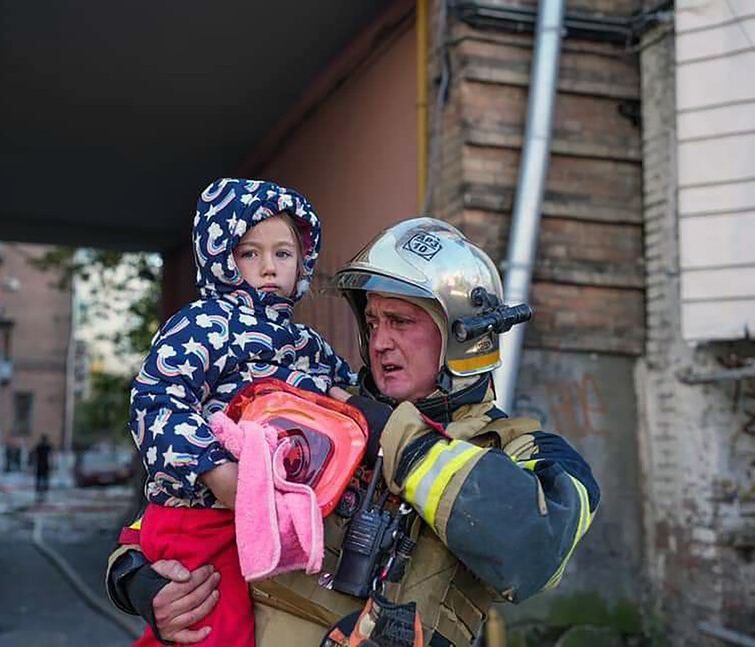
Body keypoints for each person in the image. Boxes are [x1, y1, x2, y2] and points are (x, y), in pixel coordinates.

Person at [106, 218, 600, 647]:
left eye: (401, 321)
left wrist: (390, 433)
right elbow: (179, 511)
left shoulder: (524, 450)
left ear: (464, 332)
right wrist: (138, 583)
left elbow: (532, 550)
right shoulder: (312, 408)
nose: (380, 341)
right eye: (373, 321)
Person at [126, 178, 357, 646]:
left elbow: (349, 406)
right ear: (219, 258)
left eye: (283, 253)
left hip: (277, 516)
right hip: (202, 517)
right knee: (213, 628)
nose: (268, 267)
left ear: (304, 259)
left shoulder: (310, 345)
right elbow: (156, 402)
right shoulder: (201, 324)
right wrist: (215, 468)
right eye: (249, 253)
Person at [33, 434, 53, 502]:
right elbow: (51, 456)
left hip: (41, 465)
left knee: (42, 480)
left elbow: (34, 456)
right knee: (43, 480)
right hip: (43, 465)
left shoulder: (40, 446)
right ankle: (43, 494)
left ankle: (41, 494)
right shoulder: (46, 446)